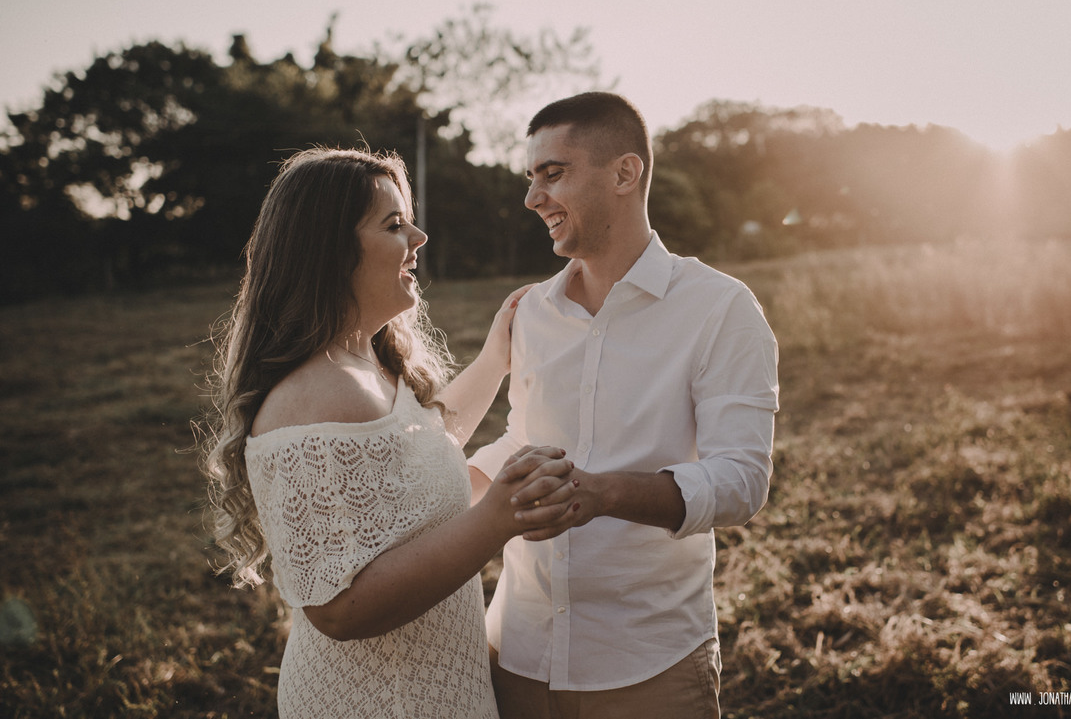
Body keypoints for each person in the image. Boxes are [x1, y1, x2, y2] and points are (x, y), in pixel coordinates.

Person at [202, 146, 579, 718]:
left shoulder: (361, 366)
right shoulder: (308, 400)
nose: (420, 237)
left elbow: (418, 458)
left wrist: (494, 359)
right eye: (394, 224)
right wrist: (496, 520)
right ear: (329, 251)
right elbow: (338, 610)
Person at [468, 93, 780, 718]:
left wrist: (605, 494)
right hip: (517, 653)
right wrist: (443, 493)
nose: (533, 200)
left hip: (649, 661)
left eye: (552, 174)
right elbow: (520, 441)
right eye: (531, 180)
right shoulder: (530, 312)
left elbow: (742, 481)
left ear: (624, 173)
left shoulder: (721, 308)